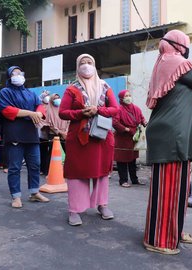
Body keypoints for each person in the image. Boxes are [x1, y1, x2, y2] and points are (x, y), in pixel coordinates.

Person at [143, 30, 192, 255]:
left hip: (176, 134)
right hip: (170, 136)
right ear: (179, 45)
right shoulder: (174, 60)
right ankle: (158, 239)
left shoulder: (170, 64)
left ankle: (174, 230)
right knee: (167, 191)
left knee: (179, 191)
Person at [59, 53, 119, 226]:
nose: (86, 66)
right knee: (77, 173)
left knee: (101, 172)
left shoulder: (105, 86)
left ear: (94, 66)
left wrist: (98, 110)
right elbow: (63, 112)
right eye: (82, 63)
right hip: (79, 138)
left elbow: (115, 109)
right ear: (78, 68)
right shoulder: (72, 88)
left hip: (101, 137)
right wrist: (81, 113)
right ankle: (75, 210)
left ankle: (102, 205)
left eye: (89, 62)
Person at [0, 66, 50, 208]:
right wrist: (30, 113)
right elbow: (6, 110)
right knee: (14, 167)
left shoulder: (30, 93)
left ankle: (35, 192)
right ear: (9, 77)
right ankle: (16, 196)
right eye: (14, 73)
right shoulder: (5, 92)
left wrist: (38, 113)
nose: (18, 75)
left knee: (35, 164)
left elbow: (40, 106)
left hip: (32, 135)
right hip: (15, 134)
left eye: (20, 73)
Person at [113, 90, 146, 187]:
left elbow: (141, 118)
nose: (128, 97)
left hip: (133, 138)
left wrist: (145, 123)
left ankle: (134, 180)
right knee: (122, 160)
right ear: (121, 99)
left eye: (129, 95)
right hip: (122, 139)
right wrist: (125, 129)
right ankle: (123, 181)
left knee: (132, 160)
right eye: (126, 96)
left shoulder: (136, 109)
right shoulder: (119, 110)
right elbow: (115, 122)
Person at [41, 93, 69, 175]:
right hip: (53, 133)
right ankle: (48, 171)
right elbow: (49, 125)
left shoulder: (63, 108)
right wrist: (60, 132)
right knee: (52, 152)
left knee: (68, 151)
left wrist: (65, 131)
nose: (57, 99)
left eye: (58, 97)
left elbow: (68, 120)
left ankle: (69, 170)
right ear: (51, 100)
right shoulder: (48, 110)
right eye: (55, 98)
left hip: (65, 132)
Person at [38, 91, 51, 175]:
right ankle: (42, 169)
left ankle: (47, 169)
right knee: (42, 151)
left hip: (49, 133)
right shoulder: (40, 107)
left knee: (47, 152)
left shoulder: (51, 107)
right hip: (41, 133)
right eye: (45, 96)